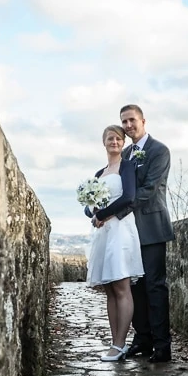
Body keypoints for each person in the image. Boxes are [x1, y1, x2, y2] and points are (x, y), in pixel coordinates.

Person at [118, 104, 174, 363]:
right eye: (124, 122)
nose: (128, 126)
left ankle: (163, 346)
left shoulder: (159, 150)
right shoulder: (126, 152)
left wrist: (117, 210)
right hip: (129, 231)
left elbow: (150, 189)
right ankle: (143, 339)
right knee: (135, 287)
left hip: (151, 228)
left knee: (154, 286)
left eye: (132, 120)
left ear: (143, 120)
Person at [84, 125, 144, 362]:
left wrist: (104, 214)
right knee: (109, 289)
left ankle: (121, 344)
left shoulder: (127, 167)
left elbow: (129, 197)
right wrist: (93, 212)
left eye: (119, 139)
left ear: (123, 142)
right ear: (104, 142)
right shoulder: (99, 174)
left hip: (120, 231)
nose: (115, 142)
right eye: (110, 138)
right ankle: (114, 342)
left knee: (121, 287)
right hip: (103, 234)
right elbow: (89, 206)